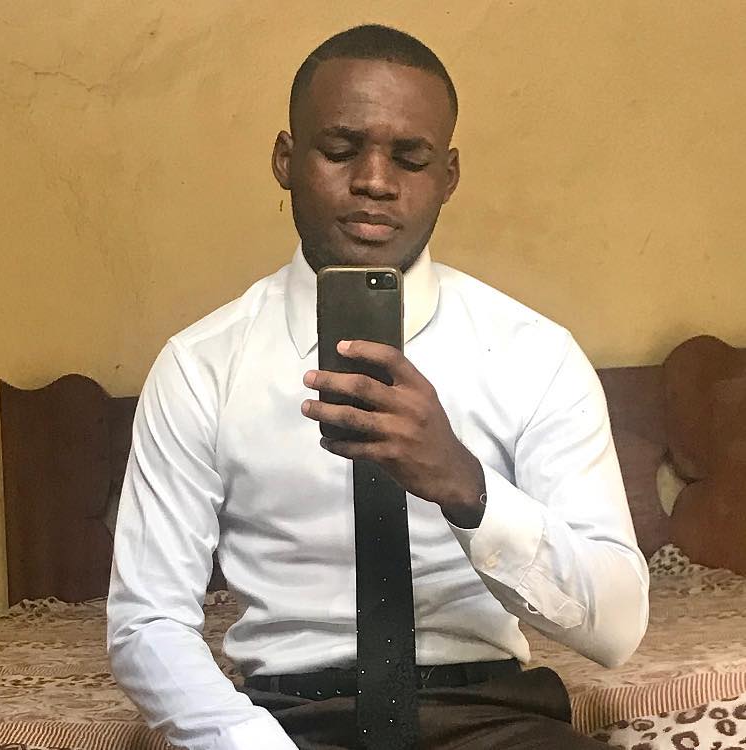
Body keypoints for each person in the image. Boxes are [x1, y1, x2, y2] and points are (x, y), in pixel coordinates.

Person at [107, 24, 649, 750]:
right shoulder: (201, 366)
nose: (374, 181)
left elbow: (618, 628)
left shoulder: (534, 356)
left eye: (410, 158)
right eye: (339, 149)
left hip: (492, 720)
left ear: (448, 176)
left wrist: (465, 486)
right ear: (285, 160)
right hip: (283, 723)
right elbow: (147, 622)